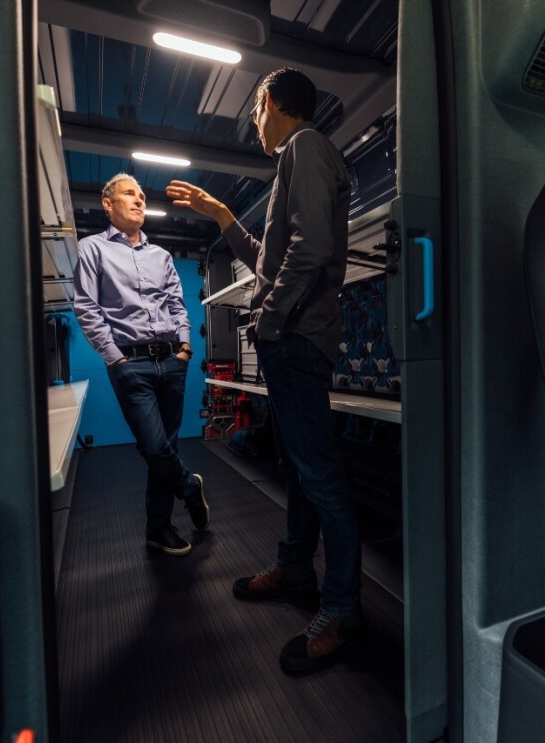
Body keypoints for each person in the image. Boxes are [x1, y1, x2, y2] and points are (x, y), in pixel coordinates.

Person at [166, 67, 359, 673]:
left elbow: (311, 250)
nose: (253, 123)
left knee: (320, 476)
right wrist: (225, 214)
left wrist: (270, 321)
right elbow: (270, 258)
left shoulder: (305, 148)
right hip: (293, 340)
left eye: (255, 109)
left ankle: (342, 611)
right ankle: (296, 567)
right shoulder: (298, 159)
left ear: (271, 101)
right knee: (301, 469)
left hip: (296, 341)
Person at [74, 173, 210, 557]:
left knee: (163, 447)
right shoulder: (92, 249)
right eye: (129, 194)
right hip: (130, 364)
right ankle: (189, 487)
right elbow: (86, 307)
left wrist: (185, 348)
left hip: (172, 359)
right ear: (108, 204)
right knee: (154, 445)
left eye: (141, 196)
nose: (139, 201)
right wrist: (114, 358)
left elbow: (177, 305)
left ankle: (158, 528)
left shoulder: (161, 256)